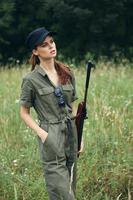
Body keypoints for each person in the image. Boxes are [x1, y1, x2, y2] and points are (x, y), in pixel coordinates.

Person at [20, 27, 82, 200]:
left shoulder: (67, 72)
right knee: (62, 193)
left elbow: (73, 107)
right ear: (35, 51)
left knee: (70, 186)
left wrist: (80, 135)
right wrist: (43, 134)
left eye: (52, 42)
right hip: (51, 134)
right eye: (44, 45)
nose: (51, 46)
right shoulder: (31, 80)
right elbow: (24, 112)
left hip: (71, 132)